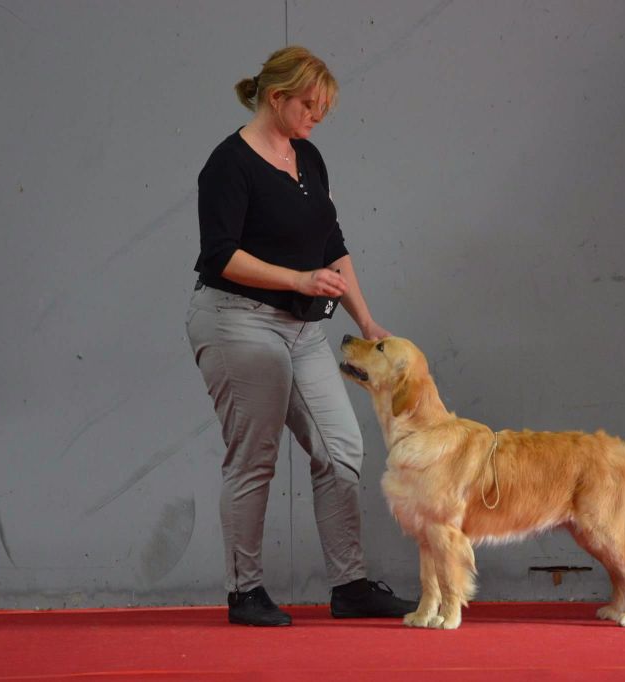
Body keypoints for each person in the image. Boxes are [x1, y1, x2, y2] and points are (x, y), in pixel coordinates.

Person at [185, 46, 417, 626]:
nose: (317, 116)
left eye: (324, 109)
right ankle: (245, 592)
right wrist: (298, 278)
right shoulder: (229, 164)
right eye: (310, 105)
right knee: (254, 456)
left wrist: (367, 322)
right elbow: (221, 255)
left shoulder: (307, 157)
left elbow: (333, 245)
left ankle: (350, 586)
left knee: (342, 449)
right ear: (276, 96)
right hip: (237, 320)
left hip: (304, 327)